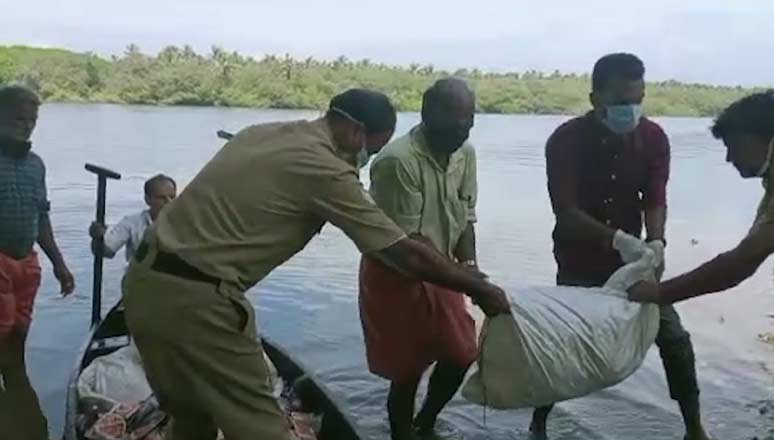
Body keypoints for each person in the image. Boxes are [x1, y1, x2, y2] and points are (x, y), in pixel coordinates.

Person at [121, 88, 510, 440]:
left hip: (143, 285)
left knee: (190, 421)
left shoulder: (264, 132)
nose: (364, 161)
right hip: (199, 301)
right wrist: (478, 287)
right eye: (371, 150)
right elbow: (401, 250)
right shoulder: (326, 169)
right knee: (263, 429)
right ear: (356, 132)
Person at [629, 90, 774, 440]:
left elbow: (739, 266)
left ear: (771, 142)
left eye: (735, 146)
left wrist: (658, 293)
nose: (729, 158)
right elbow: (744, 250)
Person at [539, 53, 708, 440]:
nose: (630, 110)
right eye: (620, 102)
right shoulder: (566, 140)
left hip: (634, 266)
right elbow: (566, 212)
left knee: (674, 340)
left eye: (637, 100)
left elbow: (655, 198)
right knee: (563, 341)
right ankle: (540, 422)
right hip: (578, 259)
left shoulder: (653, 138)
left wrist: (657, 240)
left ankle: (695, 428)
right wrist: (616, 238)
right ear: (595, 98)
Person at [360, 78, 480, 440]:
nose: (463, 131)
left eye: (469, 122)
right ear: (428, 114)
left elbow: (467, 217)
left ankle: (425, 423)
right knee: (407, 369)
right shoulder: (397, 161)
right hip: (396, 270)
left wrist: (470, 268)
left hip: (443, 268)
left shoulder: (465, 153)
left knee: (462, 354)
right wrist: (467, 281)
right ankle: (401, 434)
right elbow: (408, 243)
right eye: (455, 122)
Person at [0, 85, 75, 439]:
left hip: (26, 261)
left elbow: (41, 218)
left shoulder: (36, 165)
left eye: (32, 119)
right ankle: (16, 409)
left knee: (19, 333)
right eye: (18, 117)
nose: (26, 125)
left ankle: (15, 390)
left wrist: (59, 263)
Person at [88, 174, 177, 262]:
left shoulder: (184, 223)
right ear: (147, 199)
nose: (169, 202)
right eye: (161, 198)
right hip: (140, 275)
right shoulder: (132, 223)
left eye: (172, 197)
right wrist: (97, 238)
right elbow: (106, 251)